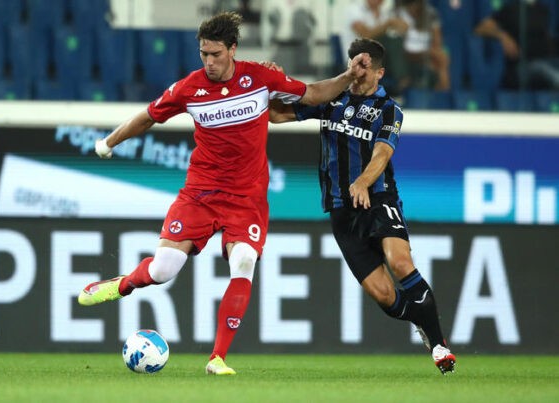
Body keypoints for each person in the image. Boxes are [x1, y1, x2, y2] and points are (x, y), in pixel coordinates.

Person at [77, 11, 371, 375]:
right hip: (200, 193)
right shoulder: (189, 88)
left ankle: (217, 358)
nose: (209, 62)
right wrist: (109, 142)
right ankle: (122, 284)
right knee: (164, 269)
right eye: (204, 54)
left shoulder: (260, 78)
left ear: (233, 49)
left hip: (246, 198)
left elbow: (312, 94)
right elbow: (149, 116)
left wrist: (348, 76)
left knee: (243, 263)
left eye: (216, 54)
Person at [267, 37, 456, 375]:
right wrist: (272, 85)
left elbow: (383, 152)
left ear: (379, 72)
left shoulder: (389, 110)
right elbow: (276, 115)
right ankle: (421, 319)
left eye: (364, 64)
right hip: (341, 209)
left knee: (400, 262)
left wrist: (363, 182)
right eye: (353, 62)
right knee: (383, 295)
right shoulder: (331, 99)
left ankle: (439, 344)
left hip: (378, 198)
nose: (357, 69)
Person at [474, 0, 559, 90]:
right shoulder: (511, 9)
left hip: (545, 61)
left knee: (546, 66)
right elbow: (481, 29)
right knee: (540, 68)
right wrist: (502, 36)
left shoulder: (543, 10)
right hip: (520, 67)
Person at [342, 0, 409, 95]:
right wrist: (388, 24)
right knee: (392, 42)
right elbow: (365, 34)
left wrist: (400, 22)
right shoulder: (354, 10)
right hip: (356, 56)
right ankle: (402, 81)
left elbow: (404, 28)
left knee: (397, 41)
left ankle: (403, 83)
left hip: (378, 56)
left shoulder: (384, 12)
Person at [397, 0, 450, 91]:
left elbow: (437, 39)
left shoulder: (431, 13)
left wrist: (435, 52)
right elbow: (398, 46)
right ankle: (442, 90)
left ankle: (442, 92)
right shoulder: (399, 13)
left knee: (443, 56)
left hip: (427, 53)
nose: (414, 8)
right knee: (437, 58)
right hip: (406, 55)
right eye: (412, 6)